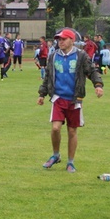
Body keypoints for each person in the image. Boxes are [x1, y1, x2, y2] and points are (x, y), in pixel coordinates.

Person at [37, 28, 104, 172]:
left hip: (75, 100)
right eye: (58, 40)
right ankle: (55, 155)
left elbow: (91, 71)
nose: (60, 42)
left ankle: (71, 162)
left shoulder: (81, 56)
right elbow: (48, 76)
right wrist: (42, 94)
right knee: (55, 128)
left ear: (71, 40)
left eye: (63, 39)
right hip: (58, 99)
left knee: (72, 131)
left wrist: (98, 85)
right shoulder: (53, 56)